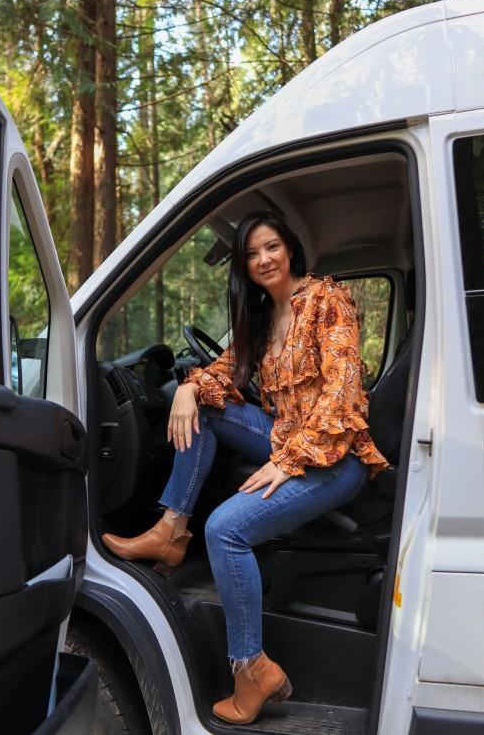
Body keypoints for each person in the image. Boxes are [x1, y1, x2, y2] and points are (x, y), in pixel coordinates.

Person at [101, 211, 389, 726]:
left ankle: (250, 668)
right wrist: (188, 387)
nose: (263, 261)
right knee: (204, 408)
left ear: (290, 248)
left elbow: (343, 399)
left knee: (226, 529)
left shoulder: (327, 300)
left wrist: (288, 460)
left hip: (334, 454)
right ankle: (171, 528)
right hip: (287, 437)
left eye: (271, 247)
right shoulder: (259, 317)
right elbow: (223, 372)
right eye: (252, 254)